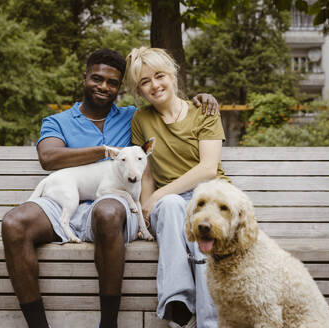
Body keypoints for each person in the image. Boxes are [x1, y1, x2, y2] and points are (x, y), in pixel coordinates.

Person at [1, 48, 219, 328]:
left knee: (107, 212)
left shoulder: (134, 117)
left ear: (120, 88)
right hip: (64, 200)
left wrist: (203, 98)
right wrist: (104, 151)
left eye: (112, 82)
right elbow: (49, 158)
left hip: (112, 206)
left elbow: (166, 106)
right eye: (97, 78)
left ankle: (109, 324)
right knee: (13, 223)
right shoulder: (58, 121)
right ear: (85, 78)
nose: (103, 86)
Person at [125, 47, 230, 328]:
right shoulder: (141, 119)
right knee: (170, 206)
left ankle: (209, 322)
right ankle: (178, 305)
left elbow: (208, 168)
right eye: (145, 82)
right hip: (171, 206)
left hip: (210, 196)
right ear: (139, 89)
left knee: (201, 222)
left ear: (172, 75)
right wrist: (144, 209)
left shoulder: (204, 111)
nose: (154, 85)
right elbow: (145, 173)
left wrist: (159, 194)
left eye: (159, 76)